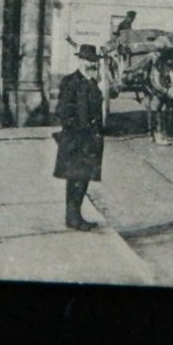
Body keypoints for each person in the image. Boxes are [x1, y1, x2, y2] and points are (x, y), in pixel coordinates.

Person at [53, 44, 106, 231]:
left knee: (83, 178)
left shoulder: (93, 83)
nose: (91, 64)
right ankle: (73, 217)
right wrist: (75, 128)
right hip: (76, 139)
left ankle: (75, 215)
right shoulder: (70, 81)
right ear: (80, 61)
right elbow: (62, 110)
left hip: (91, 140)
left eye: (94, 61)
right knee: (74, 178)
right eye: (88, 60)